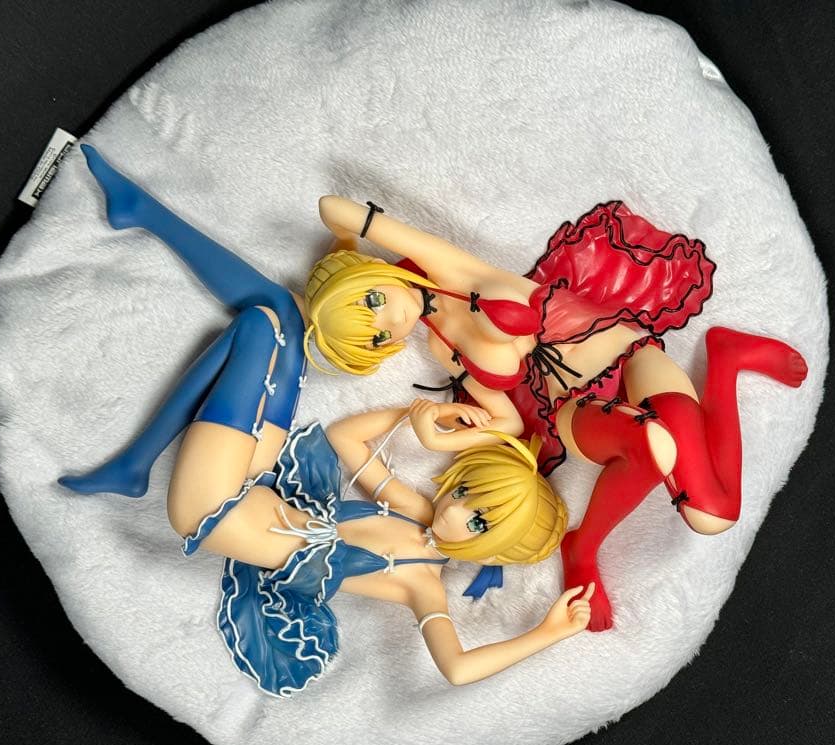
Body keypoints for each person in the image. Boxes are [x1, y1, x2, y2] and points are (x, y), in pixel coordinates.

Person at [59, 145, 592, 696]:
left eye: (478, 523)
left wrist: (547, 633)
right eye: (468, 493)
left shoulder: (422, 582)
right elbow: (342, 437)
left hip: (212, 508)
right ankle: (143, 219)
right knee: (283, 315)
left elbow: (457, 669)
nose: (456, 508)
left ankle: (136, 457)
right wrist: (421, 418)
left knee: (260, 324)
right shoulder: (420, 513)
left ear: (490, 553)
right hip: (254, 481)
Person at [306, 197, 808, 629]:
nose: (391, 320)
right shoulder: (442, 348)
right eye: (378, 337)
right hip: (575, 407)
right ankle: (583, 548)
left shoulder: (449, 269)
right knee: (678, 477)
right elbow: (507, 422)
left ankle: (725, 360)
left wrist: (343, 249)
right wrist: (439, 439)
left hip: (628, 357)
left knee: (711, 513)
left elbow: (333, 207)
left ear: (376, 274)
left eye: (374, 300)